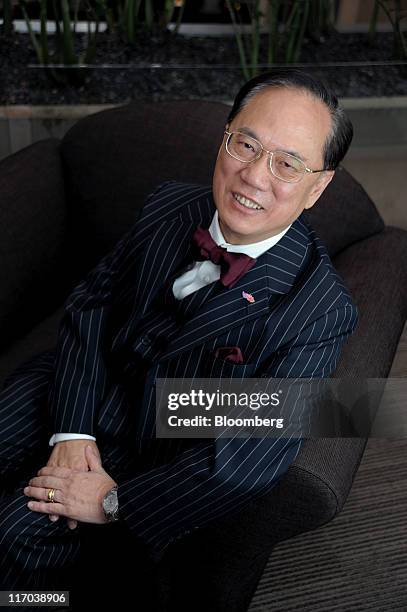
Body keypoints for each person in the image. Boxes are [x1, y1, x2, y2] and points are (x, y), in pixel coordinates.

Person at [0, 70, 357, 597]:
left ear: (318, 186)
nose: (256, 176)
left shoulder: (319, 311)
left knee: (13, 534)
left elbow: (246, 457)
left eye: (287, 163)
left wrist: (112, 502)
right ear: (225, 138)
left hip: (145, 452)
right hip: (72, 387)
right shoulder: (168, 205)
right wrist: (72, 431)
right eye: (247, 144)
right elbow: (93, 307)